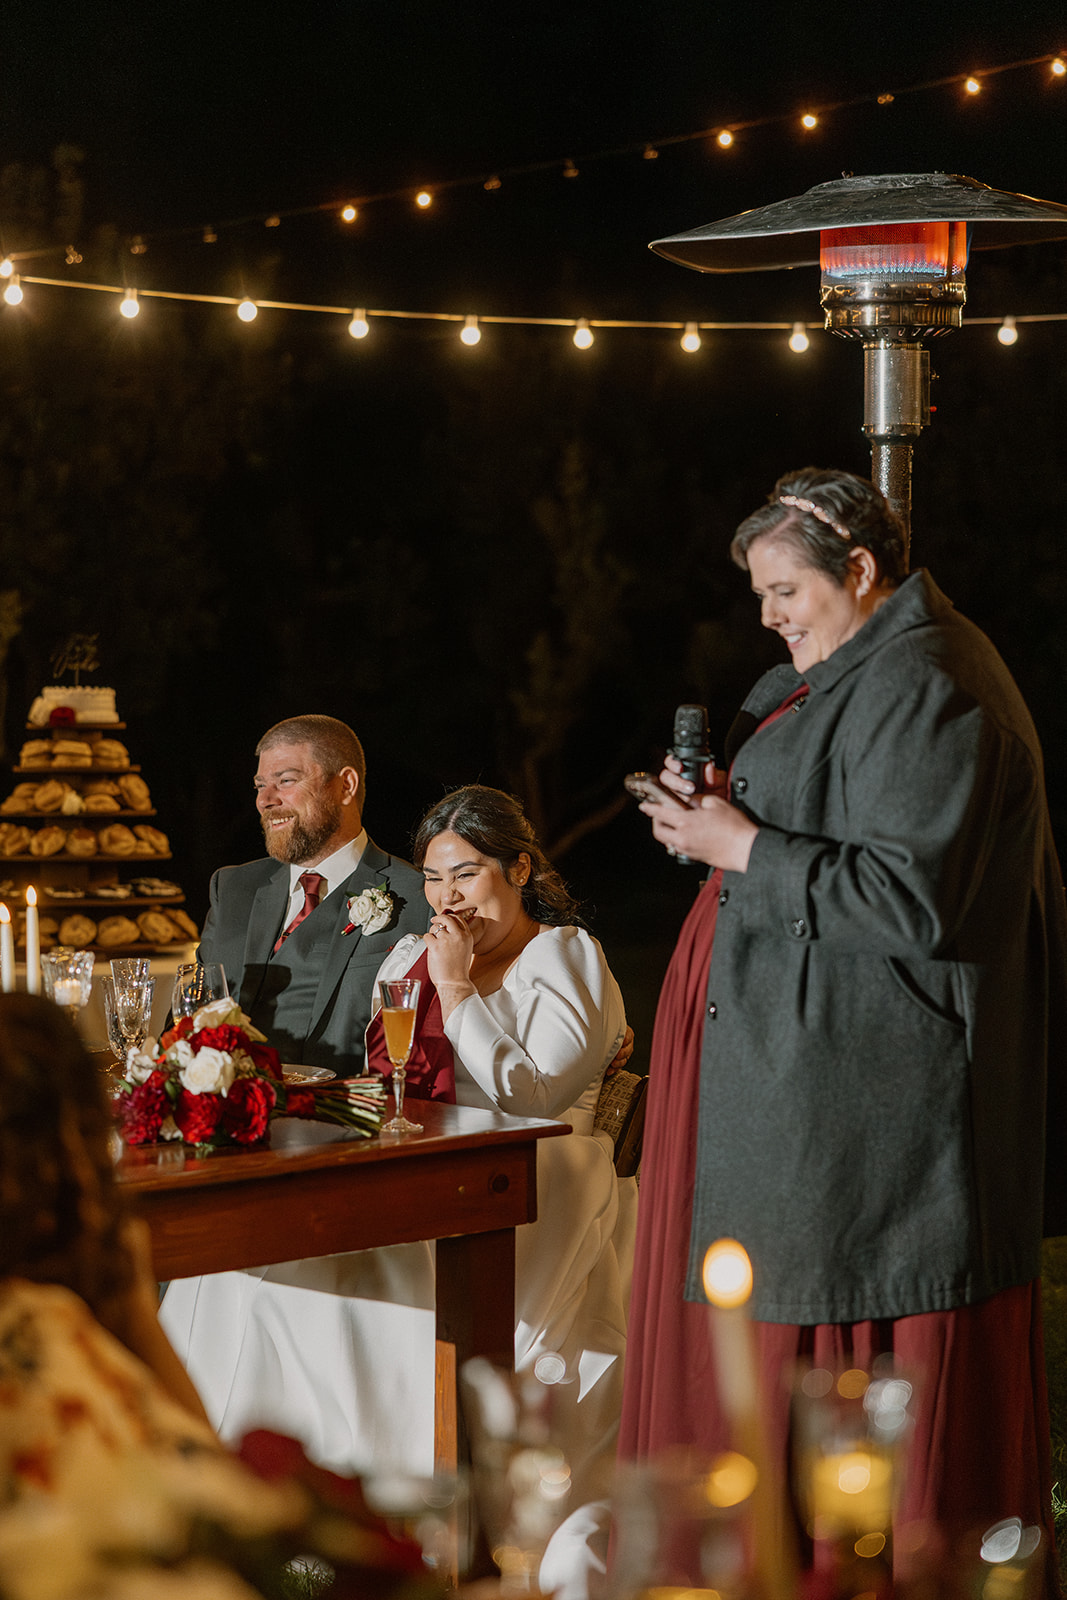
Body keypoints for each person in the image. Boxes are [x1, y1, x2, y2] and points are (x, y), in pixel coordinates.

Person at [619, 468, 1067, 1592]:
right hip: (804, 1108)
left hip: (873, 1134)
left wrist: (743, 851)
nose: (766, 614)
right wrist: (727, 816)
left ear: (859, 572)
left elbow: (916, 899)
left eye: (783, 589)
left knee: (845, 1400)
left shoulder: (925, 681)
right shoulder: (851, 673)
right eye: (760, 594)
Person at [163, 785, 632, 1600]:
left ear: (518, 868)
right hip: (420, 1159)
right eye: (434, 879)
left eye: (468, 874)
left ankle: (388, 1506)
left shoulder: (564, 954)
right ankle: (244, 1504)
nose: (447, 898)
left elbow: (531, 1098)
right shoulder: (409, 953)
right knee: (245, 1269)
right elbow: (384, 1075)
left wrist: (457, 991)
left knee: (323, 1282)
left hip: (533, 1174)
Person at [198, 713, 429, 1072]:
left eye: (285, 780)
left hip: (347, 1118)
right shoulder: (231, 889)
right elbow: (186, 1019)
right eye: (259, 785)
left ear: (346, 786)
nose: (265, 800)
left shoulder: (417, 896)